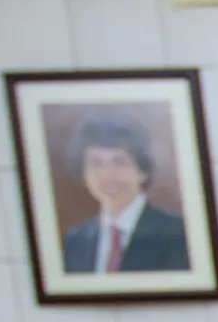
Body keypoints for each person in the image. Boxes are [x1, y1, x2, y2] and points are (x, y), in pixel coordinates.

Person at [60, 112, 191, 275]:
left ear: (143, 170)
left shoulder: (178, 233)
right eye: (95, 163)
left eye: (119, 162)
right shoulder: (75, 241)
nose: (107, 175)